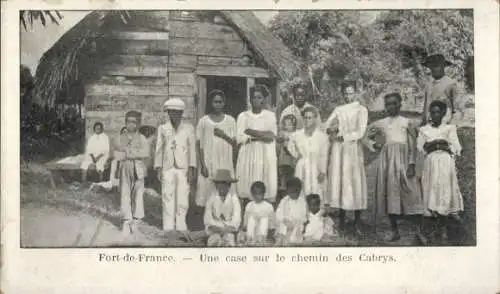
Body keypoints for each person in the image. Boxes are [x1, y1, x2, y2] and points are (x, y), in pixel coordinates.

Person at [366, 93, 427, 244]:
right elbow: (366, 133)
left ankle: (418, 230)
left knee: (412, 191)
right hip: (388, 161)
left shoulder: (407, 122)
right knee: (390, 191)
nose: (391, 107)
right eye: (388, 104)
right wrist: (375, 145)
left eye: (394, 103)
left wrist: (412, 164)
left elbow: (413, 144)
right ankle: (395, 230)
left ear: (400, 104)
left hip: (404, 160)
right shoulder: (382, 122)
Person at [325, 83, 368, 236]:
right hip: (339, 149)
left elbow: (361, 132)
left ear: (356, 93)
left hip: (352, 149)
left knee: (354, 181)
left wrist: (344, 136)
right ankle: (342, 221)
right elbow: (326, 124)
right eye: (345, 93)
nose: (348, 96)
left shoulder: (361, 110)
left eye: (350, 93)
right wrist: (331, 130)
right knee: (341, 181)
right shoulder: (339, 109)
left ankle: (357, 221)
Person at [417, 100, 464, 243]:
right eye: (432, 112)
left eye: (438, 112)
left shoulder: (449, 128)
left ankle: (442, 226)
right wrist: (430, 146)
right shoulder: (424, 130)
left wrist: (446, 146)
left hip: (444, 161)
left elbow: (456, 147)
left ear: (443, 113)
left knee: (444, 189)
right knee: (432, 188)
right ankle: (432, 216)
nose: (435, 115)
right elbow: (420, 147)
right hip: (431, 162)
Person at [154, 98, 197, 233]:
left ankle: (181, 224)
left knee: (183, 195)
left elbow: (192, 149)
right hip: (168, 166)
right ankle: (168, 225)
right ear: (168, 113)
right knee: (167, 194)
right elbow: (159, 149)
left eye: (177, 112)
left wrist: (192, 167)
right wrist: (159, 168)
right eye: (171, 112)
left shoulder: (188, 128)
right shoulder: (163, 128)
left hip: (183, 166)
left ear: (181, 112)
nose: (174, 114)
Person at [236, 84, 278, 207]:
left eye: (259, 97)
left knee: (264, 177)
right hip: (248, 151)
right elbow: (240, 138)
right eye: (254, 98)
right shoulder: (243, 116)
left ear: (264, 99)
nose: (256, 100)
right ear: (250, 100)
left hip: (265, 152)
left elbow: (271, 136)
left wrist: (251, 131)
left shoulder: (270, 116)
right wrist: (262, 135)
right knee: (247, 179)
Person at [196, 89, 237, 208]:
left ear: (224, 103)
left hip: (225, 160)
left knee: (224, 187)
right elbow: (199, 144)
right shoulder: (203, 121)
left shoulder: (230, 120)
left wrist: (223, 135)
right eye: (215, 102)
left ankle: (224, 215)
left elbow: (235, 143)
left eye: (220, 102)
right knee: (207, 187)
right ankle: (207, 217)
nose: (217, 104)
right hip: (209, 160)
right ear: (211, 103)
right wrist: (203, 164)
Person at [115, 111, 150, 236]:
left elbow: (145, 153)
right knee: (125, 193)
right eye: (128, 121)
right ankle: (126, 220)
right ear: (125, 123)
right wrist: (125, 153)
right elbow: (117, 154)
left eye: (134, 122)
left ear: (138, 124)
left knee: (138, 194)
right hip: (125, 167)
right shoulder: (121, 137)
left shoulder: (142, 138)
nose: (131, 124)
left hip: (138, 168)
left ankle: (136, 220)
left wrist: (132, 153)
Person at [287, 106, 329, 199]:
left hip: (316, 166)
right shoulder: (297, 134)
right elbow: (290, 146)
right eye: (305, 117)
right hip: (302, 166)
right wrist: (297, 155)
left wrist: (322, 171)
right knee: (302, 190)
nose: (307, 120)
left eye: (310, 118)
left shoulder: (322, 137)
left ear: (315, 119)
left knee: (316, 190)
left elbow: (324, 155)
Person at [204, 169, 241, 247]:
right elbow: (208, 218)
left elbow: (236, 219)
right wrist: (216, 228)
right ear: (216, 185)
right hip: (215, 229)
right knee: (213, 242)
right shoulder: (212, 197)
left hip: (229, 229)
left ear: (229, 185)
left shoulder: (234, 198)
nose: (221, 188)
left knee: (229, 242)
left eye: (224, 185)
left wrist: (227, 229)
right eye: (218, 185)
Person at [421, 54, 459, 125]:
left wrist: (451, 124)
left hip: (444, 122)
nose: (433, 69)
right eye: (431, 67)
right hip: (429, 122)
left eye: (436, 66)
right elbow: (426, 105)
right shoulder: (428, 84)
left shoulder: (450, 84)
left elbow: (456, 109)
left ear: (443, 67)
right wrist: (423, 120)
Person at [275, 177, 308, 245]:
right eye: (291, 192)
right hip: (286, 222)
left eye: (296, 192)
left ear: (300, 191)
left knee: (295, 233)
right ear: (287, 191)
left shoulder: (302, 201)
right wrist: (284, 219)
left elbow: (304, 214)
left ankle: (289, 239)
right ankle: (281, 238)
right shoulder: (284, 200)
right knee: (283, 227)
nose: (294, 194)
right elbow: (279, 212)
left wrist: (300, 220)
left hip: (297, 222)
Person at [241, 181, 275, 246]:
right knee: (251, 218)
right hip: (251, 231)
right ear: (252, 194)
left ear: (264, 194)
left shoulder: (268, 206)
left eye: (259, 194)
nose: (257, 196)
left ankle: (260, 240)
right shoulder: (249, 205)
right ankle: (250, 239)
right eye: (255, 194)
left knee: (264, 219)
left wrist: (270, 232)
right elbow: (245, 223)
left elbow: (272, 224)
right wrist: (245, 227)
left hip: (263, 232)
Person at [277, 114, 297, 192]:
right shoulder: (283, 134)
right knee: (283, 172)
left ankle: (291, 187)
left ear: (294, 125)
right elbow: (279, 143)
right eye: (285, 124)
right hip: (284, 157)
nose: (287, 126)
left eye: (289, 124)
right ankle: (283, 186)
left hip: (291, 157)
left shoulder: (295, 134)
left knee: (292, 172)